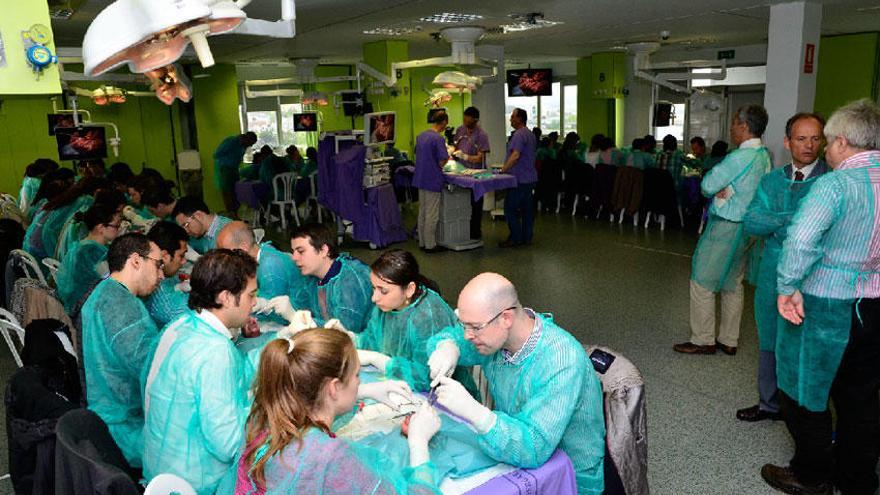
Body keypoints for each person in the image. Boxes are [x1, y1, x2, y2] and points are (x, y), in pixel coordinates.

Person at [762, 100, 880, 495]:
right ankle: (857, 480)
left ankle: (811, 475)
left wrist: (786, 287)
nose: (825, 149)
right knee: (860, 400)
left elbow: (800, 239)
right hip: (875, 307)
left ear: (843, 142)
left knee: (802, 391)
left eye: (827, 141)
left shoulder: (835, 184)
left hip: (827, 304)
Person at [426, 273, 605, 494]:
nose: (467, 335)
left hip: (568, 476)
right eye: (463, 325)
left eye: (474, 327)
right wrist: (447, 346)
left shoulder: (561, 359)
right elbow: (453, 337)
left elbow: (534, 448)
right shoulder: (495, 338)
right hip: (512, 455)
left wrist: (477, 414)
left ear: (506, 318)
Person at [230, 328, 442, 494]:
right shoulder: (329, 457)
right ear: (333, 387)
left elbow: (315, 425)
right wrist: (419, 442)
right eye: (357, 376)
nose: (359, 382)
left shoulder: (267, 415)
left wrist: (364, 392)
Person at [736, 113, 828, 424]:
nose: (809, 145)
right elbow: (752, 221)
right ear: (787, 142)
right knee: (769, 338)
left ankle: (803, 412)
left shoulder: (830, 181)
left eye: (815, 138)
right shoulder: (772, 180)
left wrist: (776, 219)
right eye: (801, 139)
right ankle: (768, 404)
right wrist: (793, 218)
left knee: (806, 343)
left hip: (814, 275)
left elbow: (823, 231)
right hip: (772, 271)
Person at [142, 249, 258, 494]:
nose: (255, 302)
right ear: (226, 297)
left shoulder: (181, 325)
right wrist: (261, 412)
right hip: (198, 482)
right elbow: (228, 445)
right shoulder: (216, 351)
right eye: (251, 295)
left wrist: (279, 346)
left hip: (161, 468)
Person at [674, 104, 771, 355]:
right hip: (749, 227)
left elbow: (707, 185)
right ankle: (729, 339)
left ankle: (703, 339)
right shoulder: (763, 155)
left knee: (702, 281)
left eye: (734, 124)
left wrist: (722, 188)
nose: (731, 128)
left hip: (727, 226)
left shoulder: (739, 157)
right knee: (732, 282)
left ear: (745, 126)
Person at [81, 233, 165, 467]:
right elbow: (154, 372)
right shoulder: (122, 307)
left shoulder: (105, 291)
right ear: (136, 261)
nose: (161, 275)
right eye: (158, 265)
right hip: (126, 430)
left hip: (107, 417)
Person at [356, 249, 476, 394]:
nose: (374, 298)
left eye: (383, 291)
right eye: (373, 288)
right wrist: (348, 337)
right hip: (405, 387)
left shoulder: (428, 316)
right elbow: (370, 339)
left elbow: (425, 378)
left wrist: (379, 360)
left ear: (409, 289)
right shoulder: (386, 306)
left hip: (447, 398)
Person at [290, 223, 373, 332]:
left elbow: (345, 331)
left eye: (301, 251)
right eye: (293, 252)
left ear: (324, 250)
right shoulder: (312, 279)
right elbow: (301, 306)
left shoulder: (350, 279)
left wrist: (294, 316)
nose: (294, 258)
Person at [216, 221, 310, 306]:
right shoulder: (261, 252)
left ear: (243, 247)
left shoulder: (269, 265)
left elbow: (272, 309)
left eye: (228, 253)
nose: (226, 259)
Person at [55, 203, 121, 313]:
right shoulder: (93, 253)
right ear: (101, 227)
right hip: (85, 308)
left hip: (79, 303)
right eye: (116, 226)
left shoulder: (84, 244)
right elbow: (110, 280)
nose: (118, 230)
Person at [500, 108, 538, 248]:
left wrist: (503, 170)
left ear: (519, 119)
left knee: (510, 209)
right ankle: (527, 237)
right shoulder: (530, 134)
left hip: (520, 179)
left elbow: (515, 155)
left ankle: (515, 238)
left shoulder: (519, 135)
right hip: (530, 178)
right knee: (527, 210)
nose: (510, 119)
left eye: (512, 117)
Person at [413, 110, 450, 253]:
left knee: (422, 211)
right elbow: (441, 162)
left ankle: (422, 242)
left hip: (420, 178)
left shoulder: (421, 136)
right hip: (432, 179)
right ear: (443, 122)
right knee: (431, 213)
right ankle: (430, 245)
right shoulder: (438, 139)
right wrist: (448, 156)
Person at [453, 106, 491, 240]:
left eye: (467, 118)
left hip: (475, 175)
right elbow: (455, 146)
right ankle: (461, 230)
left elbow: (481, 157)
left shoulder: (481, 135)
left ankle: (475, 232)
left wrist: (466, 157)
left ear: (475, 120)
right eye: (463, 118)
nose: (464, 121)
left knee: (475, 205)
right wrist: (451, 151)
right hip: (460, 172)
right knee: (461, 203)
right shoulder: (460, 130)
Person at [145, 221, 191, 328]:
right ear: (165, 256)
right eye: (181, 256)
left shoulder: (167, 275)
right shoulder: (162, 298)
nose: (184, 261)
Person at [214, 131, 257, 217]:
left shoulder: (243, 146)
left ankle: (235, 214)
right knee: (227, 191)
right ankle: (231, 214)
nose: (250, 146)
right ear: (246, 138)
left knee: (236, 192)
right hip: (225, 168)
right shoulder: (231, 141)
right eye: (250, 143)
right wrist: (227, 159)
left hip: (234, 169)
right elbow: (216, 154)